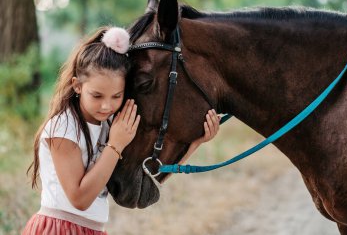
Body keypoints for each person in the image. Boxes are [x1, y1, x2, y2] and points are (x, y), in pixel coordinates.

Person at [22, 26, 220, 235]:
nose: (107, 106)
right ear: (77, 86)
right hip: (59, 229)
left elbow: (148, 178)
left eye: (116, 96)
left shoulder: (111, 126)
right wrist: (115, 144)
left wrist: (195, 143)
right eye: (97, 96)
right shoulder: (64, 127)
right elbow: (79, 199)